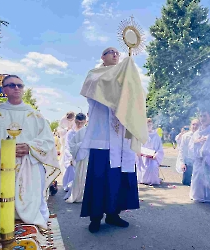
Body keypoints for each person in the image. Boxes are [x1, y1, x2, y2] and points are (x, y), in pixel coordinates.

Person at [79, 47, 148, 233]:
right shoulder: (95, 74)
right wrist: (122, 73)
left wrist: (130, 75)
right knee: (99, 179)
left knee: (117, 180)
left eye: (117, 52)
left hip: (122, 138)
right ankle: (95, 217)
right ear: (102, 56)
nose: (115, 54)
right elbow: (97, 90)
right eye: (110, 52)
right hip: (102, 137)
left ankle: (113, 214)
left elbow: (138, 97)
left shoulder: (124, 76)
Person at [0, 75, 60, 229]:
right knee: (2, 210)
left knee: (30, 205)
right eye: (11, 85)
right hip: (0, 165)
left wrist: (30, 147)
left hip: (28, 166)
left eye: (20, 85)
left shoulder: (34, 115)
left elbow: (48, 140)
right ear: (4, 90)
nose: (16, 88)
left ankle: (30, 227)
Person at [189, 108, 210, 203]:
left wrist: (208, 153)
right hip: (198, 163)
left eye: (205, 116)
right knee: (197, 190)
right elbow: (190, 149)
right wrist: (195, 143)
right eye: (201, 116)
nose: (202, 118)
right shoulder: (196, 133)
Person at [63, 113, 87, 197]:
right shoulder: (70, 133)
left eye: (82, 123)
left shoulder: (86, 131)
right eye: (78, 122)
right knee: (71, 170)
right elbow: (67, 146)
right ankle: (69, 186)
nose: (79, 124)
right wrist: (71, 158)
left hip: (83, 155)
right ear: (75, 121)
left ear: (85, 122)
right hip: (72, 156)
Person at [136, 118, 164, 185]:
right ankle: (143, 180)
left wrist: (156, 155)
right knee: (141, 167)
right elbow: (137, 146)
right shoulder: (141, 135)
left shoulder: (156, 136)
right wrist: (138, 152)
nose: (148, 126)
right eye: (147, 125)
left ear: (152, 125)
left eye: (150, 125)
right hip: (143, 158)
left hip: (152, 158)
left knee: (153, 166)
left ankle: (153, 180)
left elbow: (160, 149)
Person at [175, 119, 199, 186]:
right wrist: (182, 163)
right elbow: (182, 151)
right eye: (193, 124)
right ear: (190, 125)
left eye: (197, 125)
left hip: (198, 164)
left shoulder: (202, 135)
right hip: (189, 164)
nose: (195, 126)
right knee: (186, 183)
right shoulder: (186, 136)